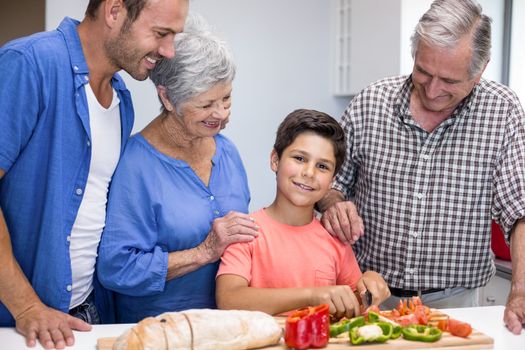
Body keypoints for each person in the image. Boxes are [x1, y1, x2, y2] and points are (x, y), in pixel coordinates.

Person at [317, 0, 525, 334]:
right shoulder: (371, 102)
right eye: (423, 72)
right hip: (367, 293)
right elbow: (330, 185)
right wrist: (334, 204)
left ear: (480, 70)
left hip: (455, 303)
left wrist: (521, 288)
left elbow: (519, 209)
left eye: (449, 80)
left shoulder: (503, 111)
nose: (432, 89)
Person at [0, 0, 188, 348]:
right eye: (161, 34)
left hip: (88, 315)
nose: (169, 51)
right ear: (114, 12)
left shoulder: (122, 100)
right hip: (18, 325)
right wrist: (27, 306)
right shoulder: (29, 65)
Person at [96, 14, 258, 323]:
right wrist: (204, 251)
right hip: (156, 330)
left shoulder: (227, 151)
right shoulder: (135, 164)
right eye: (206, 104)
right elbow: (116, 268)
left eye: (226, 98)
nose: (221, 114)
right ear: (167, 98)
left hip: (224, 326)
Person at [216, 109, 390, 318]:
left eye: (322, 166)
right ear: (275, 160)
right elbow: (229, 299)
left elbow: (356, 306)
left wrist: (369, 283)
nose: (309, 173)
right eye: (299, 158)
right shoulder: (246, 231)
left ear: (333, 180)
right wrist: (311, 295)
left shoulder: (335, 240)